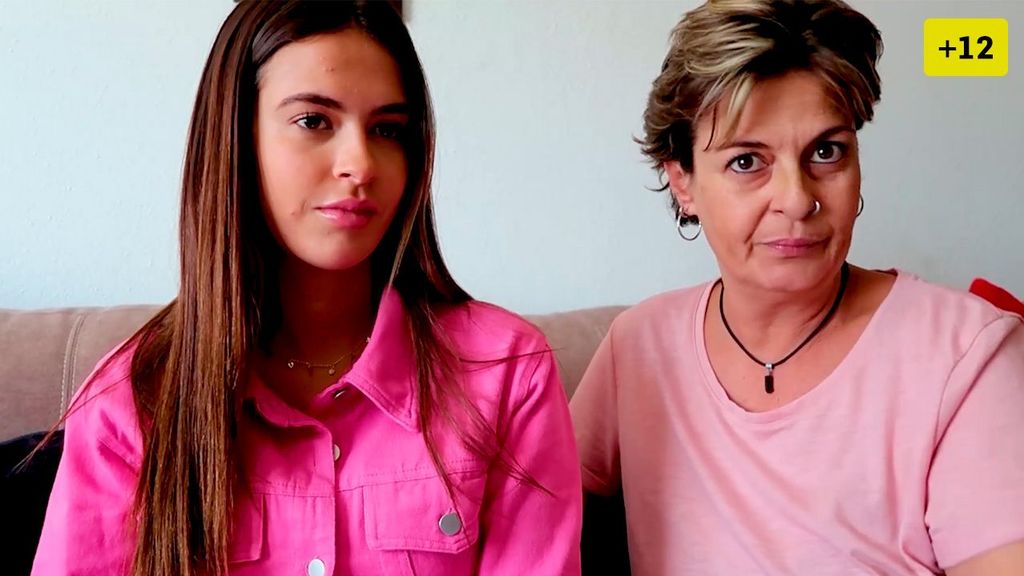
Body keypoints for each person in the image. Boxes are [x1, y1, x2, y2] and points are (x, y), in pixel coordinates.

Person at [32, 2, 582, 574]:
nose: (361, 165)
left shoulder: (507, 373)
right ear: (236, 137)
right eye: (314, 121)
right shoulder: (130, 400)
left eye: (387, 130)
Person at [570, 0, 1024, 574]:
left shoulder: (968, 353)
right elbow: (527, 517)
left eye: (826, 152)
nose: (797, 198)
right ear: (682, 181)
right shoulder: (638, 345)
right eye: (747, 162)